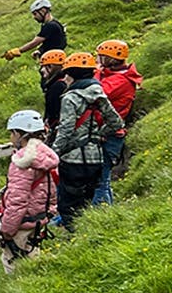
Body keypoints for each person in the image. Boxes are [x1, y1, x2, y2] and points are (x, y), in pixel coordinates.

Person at [52, 53, 123, 230]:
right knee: (87, 203)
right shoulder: (99, 95)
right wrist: (98, 135)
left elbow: (66, 130)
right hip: (96, 158)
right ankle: (87, 234)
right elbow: (116, 122)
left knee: (68, 204)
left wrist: (53, 152)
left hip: (73, 160)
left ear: (72, 74)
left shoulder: (70, 98)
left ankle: (73, 238)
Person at [0, 109, 60, 273]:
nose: (11, 138)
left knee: (12, 262)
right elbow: (52, 189)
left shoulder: (22, 161)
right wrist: (49, 212)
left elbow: (18, 201)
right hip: (39, 218)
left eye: (12, 133)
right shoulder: (46, 156)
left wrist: (7, 230)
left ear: (20, 134)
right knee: (33, 256)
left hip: (21, 222)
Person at [92, 39, 143, 206]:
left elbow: (96, 92)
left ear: (112, 59)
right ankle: (103, 207)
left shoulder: (120, 81)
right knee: (100, 176)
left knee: (101, 176)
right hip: (105, 131)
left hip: (109, 133)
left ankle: (99, 210)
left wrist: (95, 73)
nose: (98, 60)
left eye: (102, 57)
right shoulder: (113, 75)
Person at [2, 0, 66, 62]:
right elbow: (52, 43)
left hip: (53, 61)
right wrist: (40, 50)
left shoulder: (50, 26)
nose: (34, 17)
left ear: (43, 10)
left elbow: (34, 43)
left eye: (35, 14)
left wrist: (17, 51)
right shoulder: (54, 23)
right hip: (54, 58)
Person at [38, 49, 67, 143]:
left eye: (43, 67)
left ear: (50, 67)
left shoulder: (56, 87)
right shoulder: (65, 82)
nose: (41, 71)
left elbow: (52, 112)